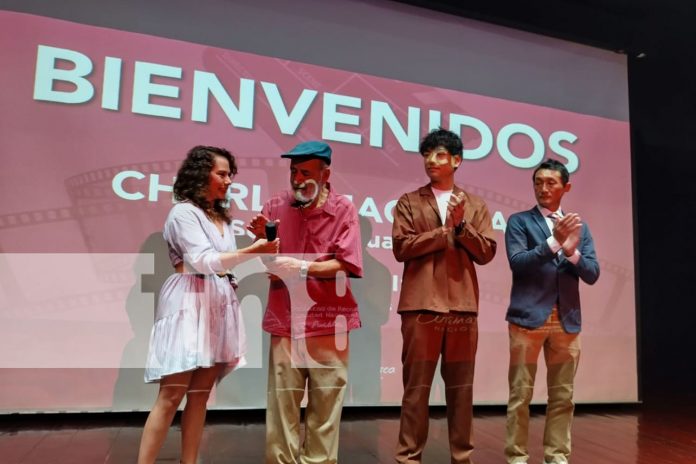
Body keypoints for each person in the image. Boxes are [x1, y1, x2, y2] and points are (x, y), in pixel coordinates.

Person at [137, 145, 278, 464]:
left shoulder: (223, 219)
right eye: (222, 173)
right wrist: (251, 250)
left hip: (218, 303)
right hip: (188, 301)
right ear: (202, 174)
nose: (229, 181)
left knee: (199, 397)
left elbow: (225, 265)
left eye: (231, 175)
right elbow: (201, 261)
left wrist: (258, 245)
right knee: (171, 395)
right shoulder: (183, 213)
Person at [247, 140, 363, 464]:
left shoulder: (343, 210)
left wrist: (300, 268)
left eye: (306, 173)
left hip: (329, 324)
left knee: (325, 411)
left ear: (326, 174)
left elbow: (346, 265)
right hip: (285, 322)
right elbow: (269, 268)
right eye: (293, 172)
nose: (297, 180)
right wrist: (264, 244)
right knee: (282, 410)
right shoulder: (274, 207)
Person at [392, 128, 497, 464]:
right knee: (415, 391)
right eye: (426, 154)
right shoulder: (409, 201)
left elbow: (487, 252)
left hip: (462, 309)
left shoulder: (475, 205)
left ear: (456, 160)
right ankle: (408, 458)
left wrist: (462, 227)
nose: (431, 160)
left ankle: (461, 458)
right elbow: (401, 247)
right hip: (420, 307)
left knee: (461, 393)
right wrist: (444, 231)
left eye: (439, 155)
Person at [504, 159, 600, 464]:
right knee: (520, 396)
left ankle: (557, 457)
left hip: (567, 321)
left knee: (563, 397)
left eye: (551, 183)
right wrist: (554, 242)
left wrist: (571, 251)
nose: (543, 188)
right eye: (538, 182)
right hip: (526, 321)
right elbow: (518, 262)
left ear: (565, 187)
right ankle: (517, 458)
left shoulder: (579, 229)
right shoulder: (519, 222)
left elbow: (593, 273)